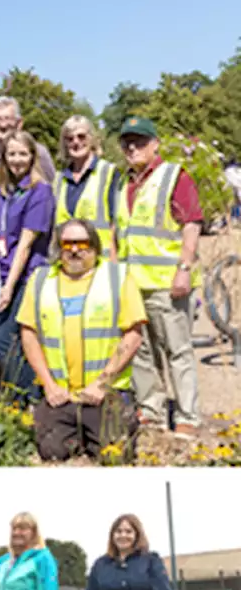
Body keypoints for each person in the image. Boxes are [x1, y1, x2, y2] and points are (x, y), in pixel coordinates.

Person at [18, 218, 146, 460]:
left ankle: (98, 431)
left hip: (103, 394)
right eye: (67, 244)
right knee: (52, 452)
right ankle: (78, 433)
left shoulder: (116, 277)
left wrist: (102, 383)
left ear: (95, 247)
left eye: (82, 244)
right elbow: (29, 334)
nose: (75, 250)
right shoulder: (41, 280)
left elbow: (133, 334)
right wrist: (48, 385)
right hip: (60, 395)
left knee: (115, 456)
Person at [115, 116, 204, 438]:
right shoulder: (124, 182)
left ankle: (187, 417)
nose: (132, 147)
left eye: (140, 141)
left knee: (177, 352)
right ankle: (151, 412)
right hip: (132, 284)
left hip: (167, 284)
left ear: (155, 144)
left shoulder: (172, 176)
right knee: (141, 352)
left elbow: (192, 223)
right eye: (127, 142)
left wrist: (184, 268)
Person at [0, 130, 55, 399]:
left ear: (32, 157)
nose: (17, 160)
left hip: (24, 276)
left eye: (22, 154)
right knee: (9, 339)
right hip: (2, 273)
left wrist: (9, 287)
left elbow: (26, 244)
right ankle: (19, 397)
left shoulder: (40, 192)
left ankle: (30, 397)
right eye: (11, 154)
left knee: (4, 337)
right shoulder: (3, 191)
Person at [55, 116, 122, 262]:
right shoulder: (58, 180)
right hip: (67, 265)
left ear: (92, 139)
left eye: (81, 136)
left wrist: (113, 267)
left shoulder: (108, 173)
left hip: (99, 263)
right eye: (69, 138)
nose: (76, 142)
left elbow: (114, 225)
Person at [0, 97, 56, 183]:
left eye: (7, 118)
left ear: (19, 123)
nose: (3, 125)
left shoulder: (38, 152)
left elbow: (51, 185)